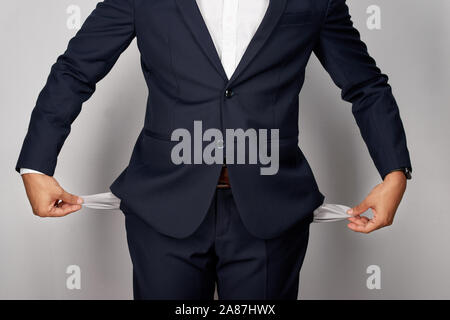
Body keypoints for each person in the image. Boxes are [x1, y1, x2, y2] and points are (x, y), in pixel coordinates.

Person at [16, 0, 412, 299]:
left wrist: (394, 172)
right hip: (163, 210)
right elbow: (75, 70)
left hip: (270, 215)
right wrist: (36, 165)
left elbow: (366, 85)